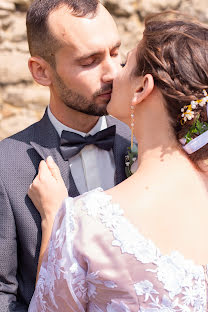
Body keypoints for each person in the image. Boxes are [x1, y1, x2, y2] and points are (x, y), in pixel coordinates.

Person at [27, 10, 208, 312]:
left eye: (123, 61)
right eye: (89, 61)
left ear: (141, 88)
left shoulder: (80, 221)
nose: (112, 73)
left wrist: (53, 221)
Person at [0, 0, 133, 310]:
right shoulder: (6, 166)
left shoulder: (148, 144)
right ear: (41, 71)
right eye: (90, 61)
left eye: (115, 53)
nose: (113, 72)